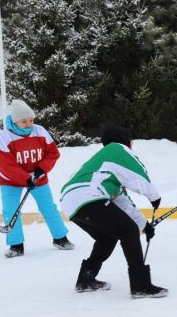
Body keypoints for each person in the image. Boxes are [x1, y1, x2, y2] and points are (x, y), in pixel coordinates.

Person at [60, 124, 167, 299]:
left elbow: (123, 202)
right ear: (126, 141)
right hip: (89, 196)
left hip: (71, 201)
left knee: (107, 237)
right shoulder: (118, 149)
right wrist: (153, 196)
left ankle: (86, 279)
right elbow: (137, 171)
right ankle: (140, 285)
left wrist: (145, 225)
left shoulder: (106, 168)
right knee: (128, 230)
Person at [0, 99, 74, 258]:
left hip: (38, 177)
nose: (29, 123)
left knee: (48, 208)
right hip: (10, 180)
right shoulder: (4, 137)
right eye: (24, 121)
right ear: (14, 120)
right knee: (11, 211)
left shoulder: (40, 131)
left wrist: (41, 169)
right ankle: (16, 245)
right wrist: (25, 178)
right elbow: (6, 165)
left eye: (31, 120)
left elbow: (53, 153)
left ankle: (60, 238)